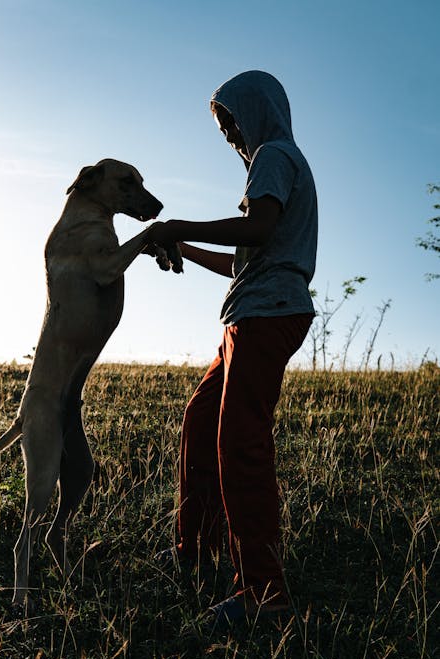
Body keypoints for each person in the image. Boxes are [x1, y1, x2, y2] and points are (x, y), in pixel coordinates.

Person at [146, 70, 317, 626]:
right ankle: (198, 552)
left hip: (265, 316)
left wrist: (176, 222)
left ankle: (262, 595)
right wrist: (184, 244)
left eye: (229, 120)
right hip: (251, 311)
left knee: (240, 442)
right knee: (201, 421)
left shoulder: (273, 155)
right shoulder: (275, 163)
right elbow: (244, 258)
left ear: (256, 109)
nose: (227, 135)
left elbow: (260, 230)